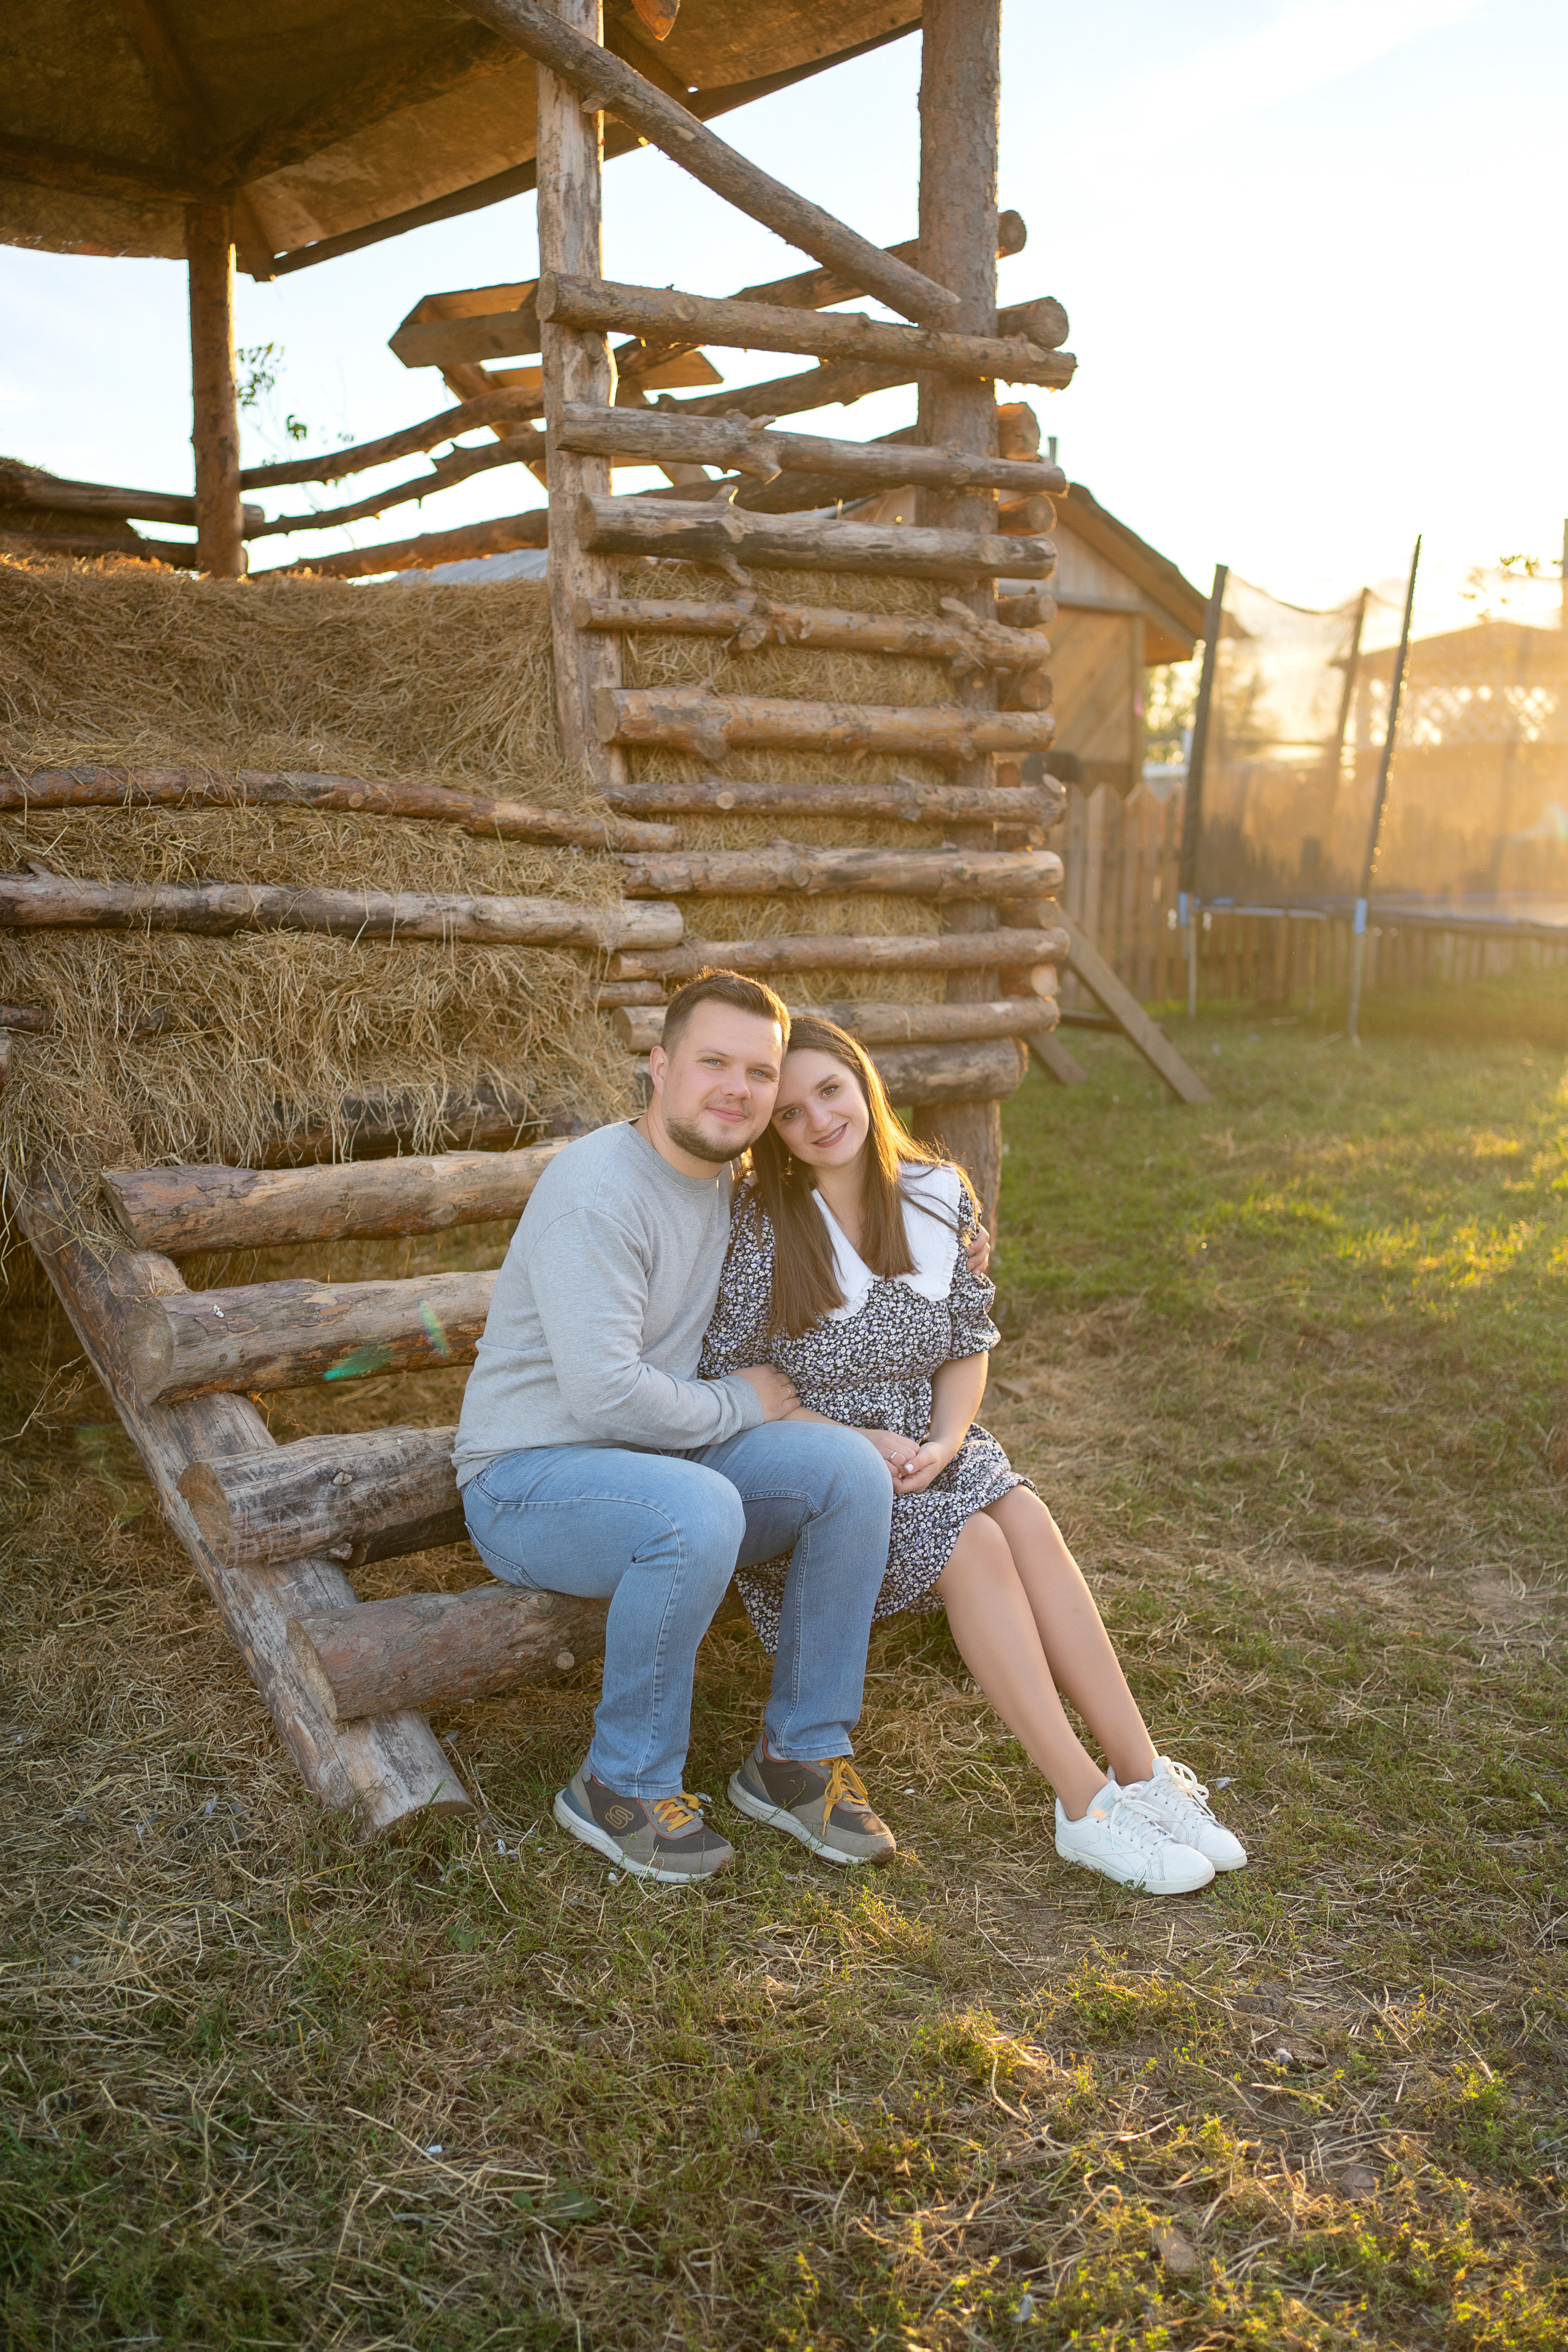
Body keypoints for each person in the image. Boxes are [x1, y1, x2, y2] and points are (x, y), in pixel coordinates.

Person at [699, 1014, 1248, 1897]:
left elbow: (967, 1337)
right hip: (822, 1467)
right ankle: (1082, 1805)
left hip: (929, 1440)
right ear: (774, 1132)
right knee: (975, 1543)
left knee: (1020, 1511)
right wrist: (850, 1440)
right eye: (791, 1113)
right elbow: (736, 1375)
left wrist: (950, 1438)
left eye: (831, 1092)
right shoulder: (763, 1223)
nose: (818, 1121)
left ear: (863, 1082)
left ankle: (1142, 1772)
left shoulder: (935, 1191)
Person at [452, 971, 903, 1887]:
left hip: (661, 1455)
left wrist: (950, 1238)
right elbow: (605, 1398)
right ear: (658, 1068)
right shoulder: (599, 1190)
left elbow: (859, 1195)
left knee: (845, 1473)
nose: (737, 1088)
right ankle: (619, 1786)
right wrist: (745, 1401)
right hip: (532, 1476)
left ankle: (797, 1758)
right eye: (713, 1063)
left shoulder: (735, 1178)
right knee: (693, 1511)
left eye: (759, 1071)